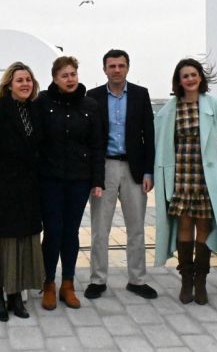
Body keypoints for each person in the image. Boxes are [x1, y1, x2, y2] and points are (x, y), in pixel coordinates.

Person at [153, 58, 217, 305]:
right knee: (184, 225)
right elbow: (160, 143)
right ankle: (186, 280)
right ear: (178, 81)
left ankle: (201, 280)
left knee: (203, 226)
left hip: (205, 178)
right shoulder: (169, 110)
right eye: (185, 76)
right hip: (181, 176)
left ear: (200, 77)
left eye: (193, 74)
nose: (190, 79)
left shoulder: (214, 106)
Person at [0, 62, 45, 321]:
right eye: (20, 80)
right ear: (9, 84)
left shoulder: (36, 110)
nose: (25, 84)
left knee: (22, 243)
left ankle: (15, 296)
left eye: (28, 79)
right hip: (0, 189)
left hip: (27, 191)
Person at [85, 49, 157, 300]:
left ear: (128, 67)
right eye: (112, 66)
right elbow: (89, 137)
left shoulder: (140, 94)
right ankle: (97, 280)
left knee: (136, 228)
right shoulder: (93, 96)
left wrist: (148, 171)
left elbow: (149, 135)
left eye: (121, 65)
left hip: (133, 168)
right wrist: (92, 174)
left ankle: (137, 280)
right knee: (99, 228)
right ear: (104, 69)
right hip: (104, 167)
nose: (117, 70)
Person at [36, 55, 105, 310]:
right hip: (50, 179)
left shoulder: (90, 105)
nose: (70, 79)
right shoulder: (42, 102)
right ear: (55, 78)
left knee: (70, 232)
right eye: (64, 75)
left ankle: (68, 284)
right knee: (52, 231)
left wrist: (97, 180)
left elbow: (97, 145)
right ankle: (48, 284)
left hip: (79, 180)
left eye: (73, 74)